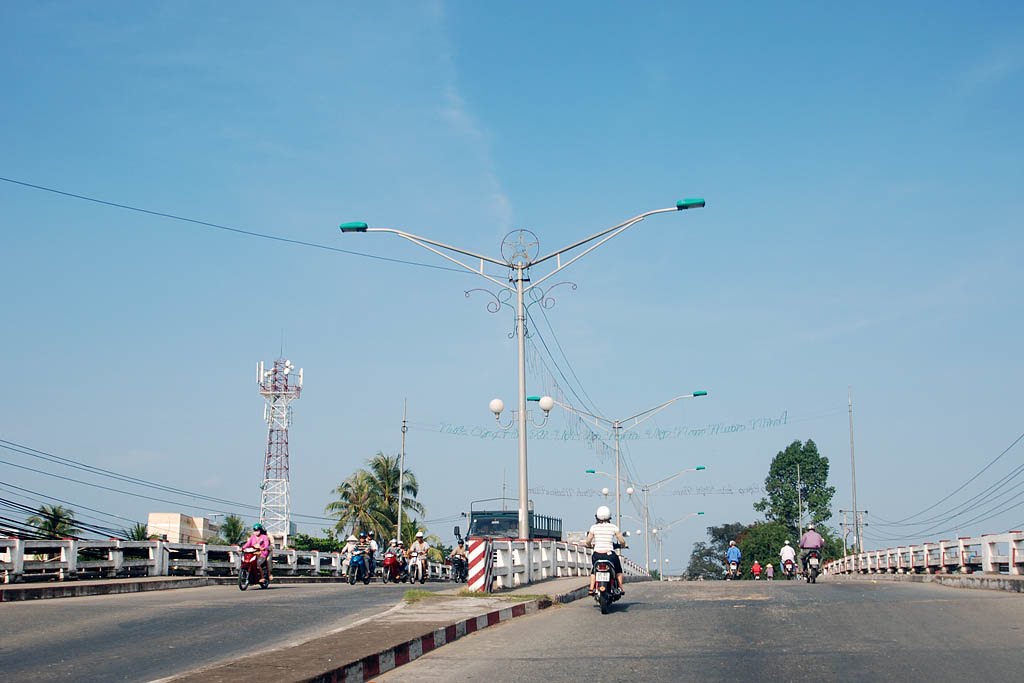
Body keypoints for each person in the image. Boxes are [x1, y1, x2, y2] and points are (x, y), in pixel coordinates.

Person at [585, 505, 627, 596]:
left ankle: (591, 588)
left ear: (597, 516)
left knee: (594, 570)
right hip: (609, 555)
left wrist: (589, 545)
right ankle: (620, 587)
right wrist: (623, 545)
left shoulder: (594, 528)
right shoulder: (613, 527)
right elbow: (622, 540)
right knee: (618, 569)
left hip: (597, 554)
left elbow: (588, 541)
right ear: (609, 516)